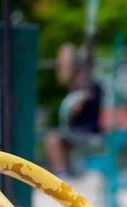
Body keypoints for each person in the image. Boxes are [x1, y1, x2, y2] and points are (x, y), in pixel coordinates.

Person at [45, 44, 103, 178]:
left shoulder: (85, 86)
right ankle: (64, 171)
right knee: (59, 137)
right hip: (82, 129)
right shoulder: (83, 85)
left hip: (87, 131)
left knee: (53, 139)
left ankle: (62, 174)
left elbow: (76, 108)